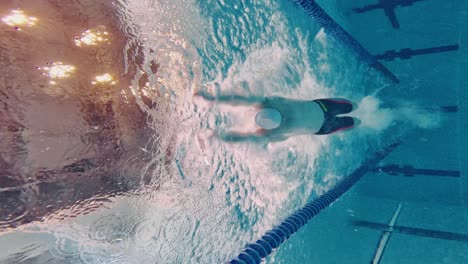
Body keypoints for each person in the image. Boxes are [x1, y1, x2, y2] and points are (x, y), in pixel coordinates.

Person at [195, 92, 360, 142]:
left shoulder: (276, 131)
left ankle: (362, 119)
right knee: (353, 105)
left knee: (354, 122)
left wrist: (216, 136)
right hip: (322, 106)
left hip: (324, 127)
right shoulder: (274, 103)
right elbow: (237, 98)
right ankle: (362, 107)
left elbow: (242, 137)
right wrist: (212, 98)